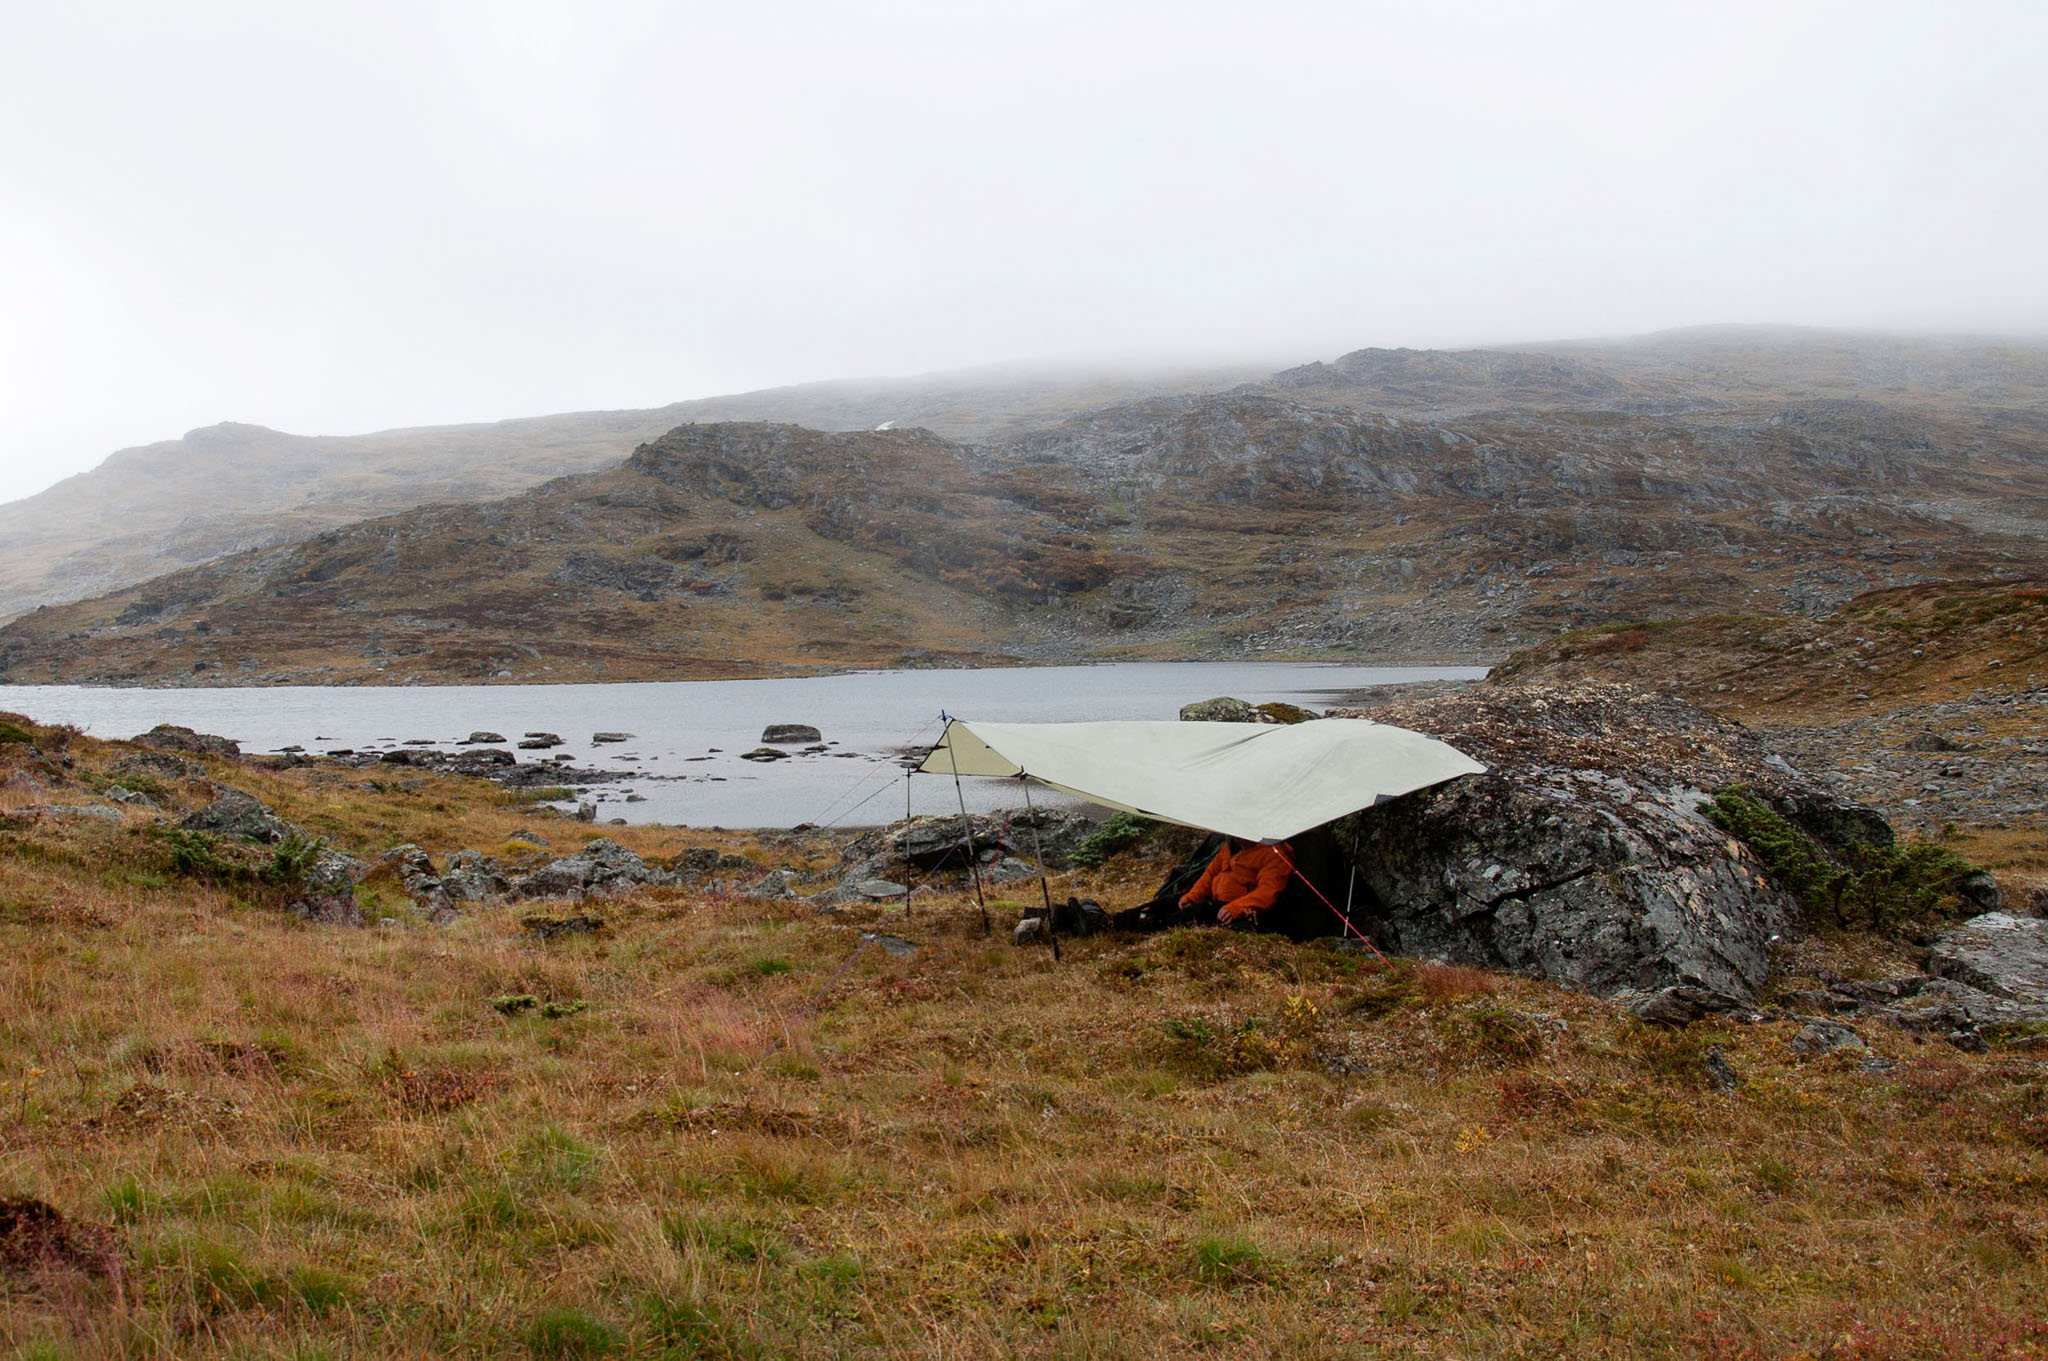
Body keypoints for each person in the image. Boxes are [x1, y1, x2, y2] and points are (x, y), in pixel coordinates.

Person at [1178, 836, 1295, 926]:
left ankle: (1161, 927)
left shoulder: (1275, 853)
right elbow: (1210, 874)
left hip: (1237, 909)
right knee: (1170, 903)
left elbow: (1268, 891)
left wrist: (1236, 908)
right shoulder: (1230, 847)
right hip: (1216, 902)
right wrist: (1192, 897)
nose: (1233, 836)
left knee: (1198, 911)